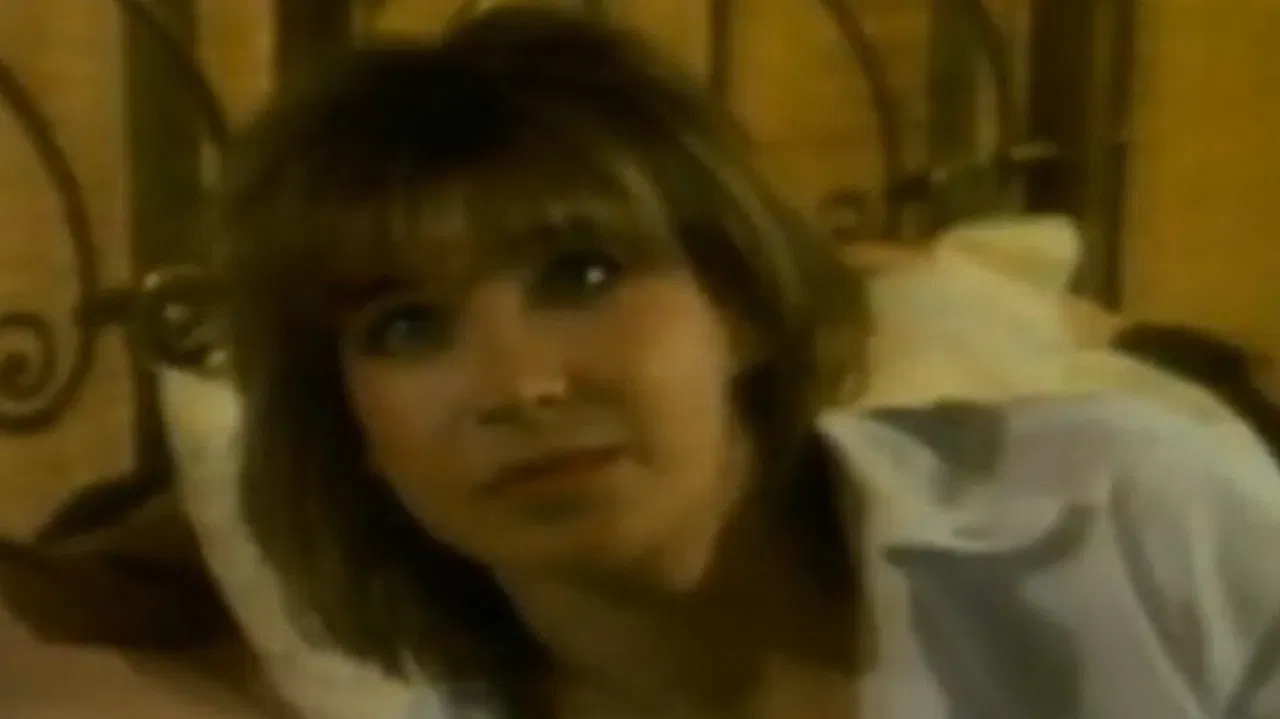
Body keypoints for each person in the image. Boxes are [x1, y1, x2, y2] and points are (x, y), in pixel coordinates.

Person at [214, 6, 1280, 718]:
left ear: (742, 304)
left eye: (582, 274)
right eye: (406, 329)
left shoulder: (1124, 515)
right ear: (351, 427)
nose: (521, 386)